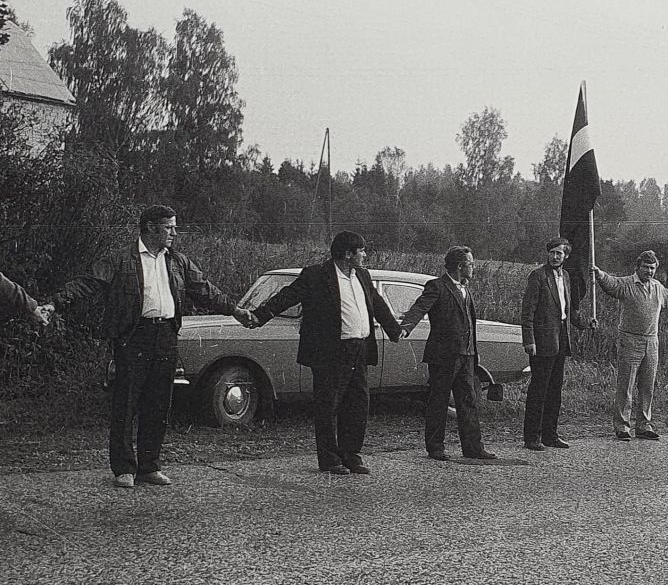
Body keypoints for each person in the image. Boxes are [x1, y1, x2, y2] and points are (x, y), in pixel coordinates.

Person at [46, 205, 253, 488]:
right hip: (133, 338)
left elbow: (205, 290)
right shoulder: (120, 259)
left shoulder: (178, 261)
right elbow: (87, 283)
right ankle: (123, 469)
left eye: (173, 227)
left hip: (166, 336)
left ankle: (149, 467)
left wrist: (236, 311)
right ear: (151, 227)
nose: (174, 232)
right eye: (169, 227)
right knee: (126, 403)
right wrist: (54, 302)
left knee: (158, 404)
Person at [250, 230, 402, 475]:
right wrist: (259, 316)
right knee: (328, 405)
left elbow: (377, 304)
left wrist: (395, 331)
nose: (364, 255)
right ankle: (330, 459)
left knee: (358, 404)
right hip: (331, 351)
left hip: (359, 349)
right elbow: (287, 296)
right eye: (361, 250)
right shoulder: (316, 275)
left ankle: (350, 455)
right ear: (347, 254)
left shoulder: (362, 275)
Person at [593, 250, 668, 441]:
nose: (649, 271)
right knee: (626, 385)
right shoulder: (627, 284)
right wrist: (599, 274)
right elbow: (611, 284)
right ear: (638, 267)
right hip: (629, 340)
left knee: (648, 386)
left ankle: (644, 425)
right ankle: (622, 426)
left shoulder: (658, 287)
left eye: (652, 268)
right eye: (645, 267)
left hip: (651, 342)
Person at [400, 246, 496, 461]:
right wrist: (406, 326)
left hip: (467, 356)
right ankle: (435, 448)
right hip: (443, 356)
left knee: (468, 401)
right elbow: (420, 307)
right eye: (471, 264)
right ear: (460, 266)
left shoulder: (465, 289)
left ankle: (473, 448)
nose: (473, 268)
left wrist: (472, 352)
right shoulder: (437, 286)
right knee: (439, 401)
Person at [520, 237, 595, 450]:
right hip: (542, 341)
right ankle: (532, 437)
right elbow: (528, 312)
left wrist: (587, 323)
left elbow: (568, 312)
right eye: (552, 253)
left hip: (561, 338)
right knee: (539, 390)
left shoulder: (567, 277)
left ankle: (550, 435)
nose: (555, 257)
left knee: (555, 390)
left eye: (559, 253)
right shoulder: (537, 276)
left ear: (566, 256)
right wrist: (529, 340)